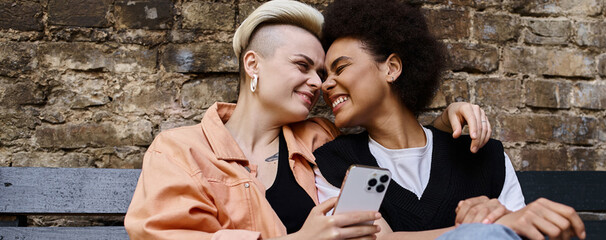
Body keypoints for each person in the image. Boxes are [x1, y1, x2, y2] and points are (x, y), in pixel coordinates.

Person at [124, 0, 490, 239]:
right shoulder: (179, 152)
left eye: (321, 71)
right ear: (253, 64)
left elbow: (394, 134)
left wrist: (444, 124)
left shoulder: (322, 139)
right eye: (302, 66)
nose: (319, 82)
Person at [312, 0, 586, 239]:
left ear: (391, 68)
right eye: (326, 75)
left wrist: (500, 224)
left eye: (341, 68)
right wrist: (485, 228)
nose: (326, 85)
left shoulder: (483, 156)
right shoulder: (333, 162)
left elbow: (520, 231)